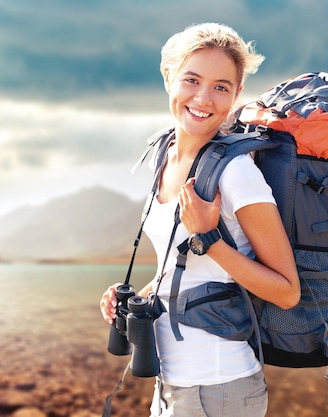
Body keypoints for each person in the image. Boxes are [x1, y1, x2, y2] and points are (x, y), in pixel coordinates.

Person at [99, 23, 300, 417]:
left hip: (219, 386)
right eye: (191, 79)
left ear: (236, 94)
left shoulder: (237, 173)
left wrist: (210, 237)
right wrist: (136, 295)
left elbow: (287, 291)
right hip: (171, 381)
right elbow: (183, 269)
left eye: (222, 86)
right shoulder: (164, 154)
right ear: (168, 78)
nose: (204, 97)